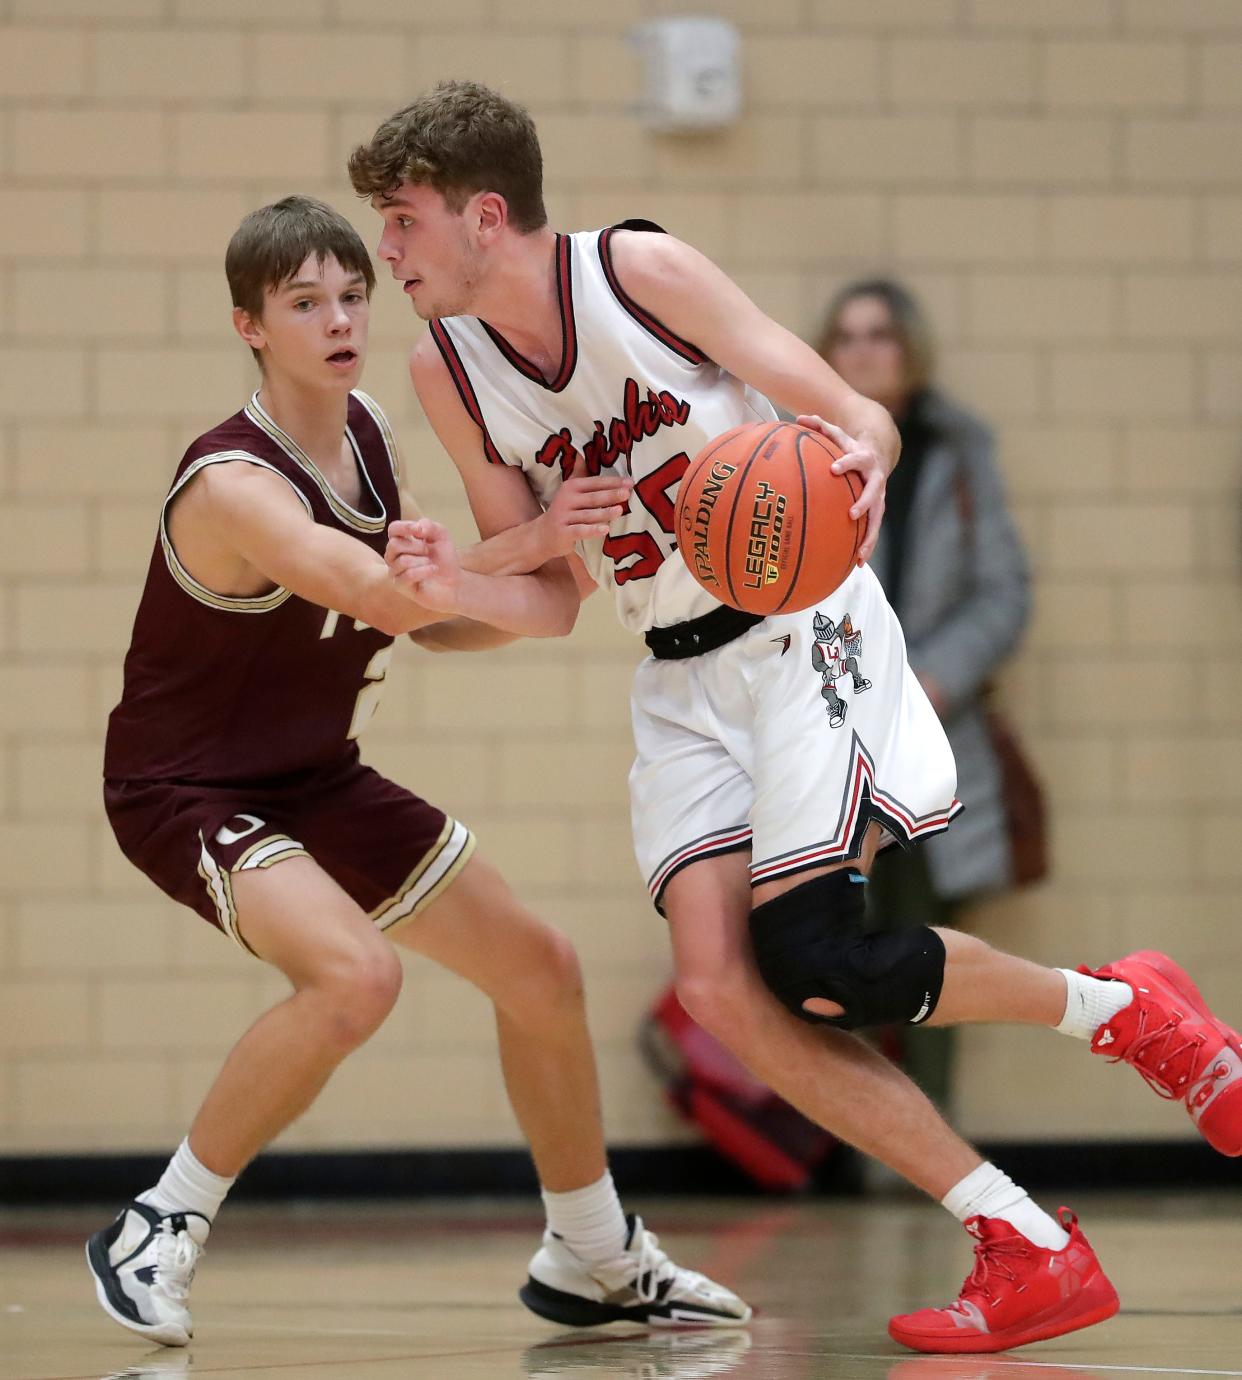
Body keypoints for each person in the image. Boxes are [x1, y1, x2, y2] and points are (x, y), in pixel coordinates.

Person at [348, 81, 1242, 1356]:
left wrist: (866, 451)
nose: (388, 250)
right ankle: (1030, 1234)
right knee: (721, 991)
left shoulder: (639, 271)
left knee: (820, 959)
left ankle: (1130, 1018)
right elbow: (541, 600)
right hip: (674, 674)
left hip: (801, 627)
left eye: (401, 219)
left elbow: (846, 408)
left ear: (484, 216)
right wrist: (446, 593)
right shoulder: (448, 369)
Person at [86, 195, 749, 1349]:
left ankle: (592, 1251)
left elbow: (431, 617)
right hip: (184, 788)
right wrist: (537, 539)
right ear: (251, 325)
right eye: (306, 303)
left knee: (540, 969)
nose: (340, 319)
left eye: (353, 294)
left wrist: (538, 598)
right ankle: (158, 1224)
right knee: (355, 979)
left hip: (313, 774)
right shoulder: (233, 483)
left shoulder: (374, 435)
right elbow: (376, 590)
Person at [818, 279, 1032, 1112]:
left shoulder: (956, 452)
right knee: (833, 944)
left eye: (880, 335)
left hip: (932, 736)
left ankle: (929, 1146)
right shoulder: (799, 449)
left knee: (930, 951)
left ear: (910, 350)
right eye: (846, 336)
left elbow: (1003, 594)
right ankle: (863, 1142)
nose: (863, 350)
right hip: (834, 736)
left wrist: (931, 680)